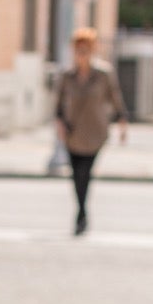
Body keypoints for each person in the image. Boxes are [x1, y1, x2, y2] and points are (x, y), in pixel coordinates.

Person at [55, 26, 127, 235]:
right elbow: (58, 106)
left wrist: (122, 122)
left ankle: (81, 215)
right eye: (78, 49)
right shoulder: (67, 76)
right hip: (72, 132)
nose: (82, 53)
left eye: (86, 49)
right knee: (75, 175)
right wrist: (59, 125)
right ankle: (82, 212)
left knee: (85, 173)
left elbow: (115, 98)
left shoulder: (103, 74)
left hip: (95, 131)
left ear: (92, 50)